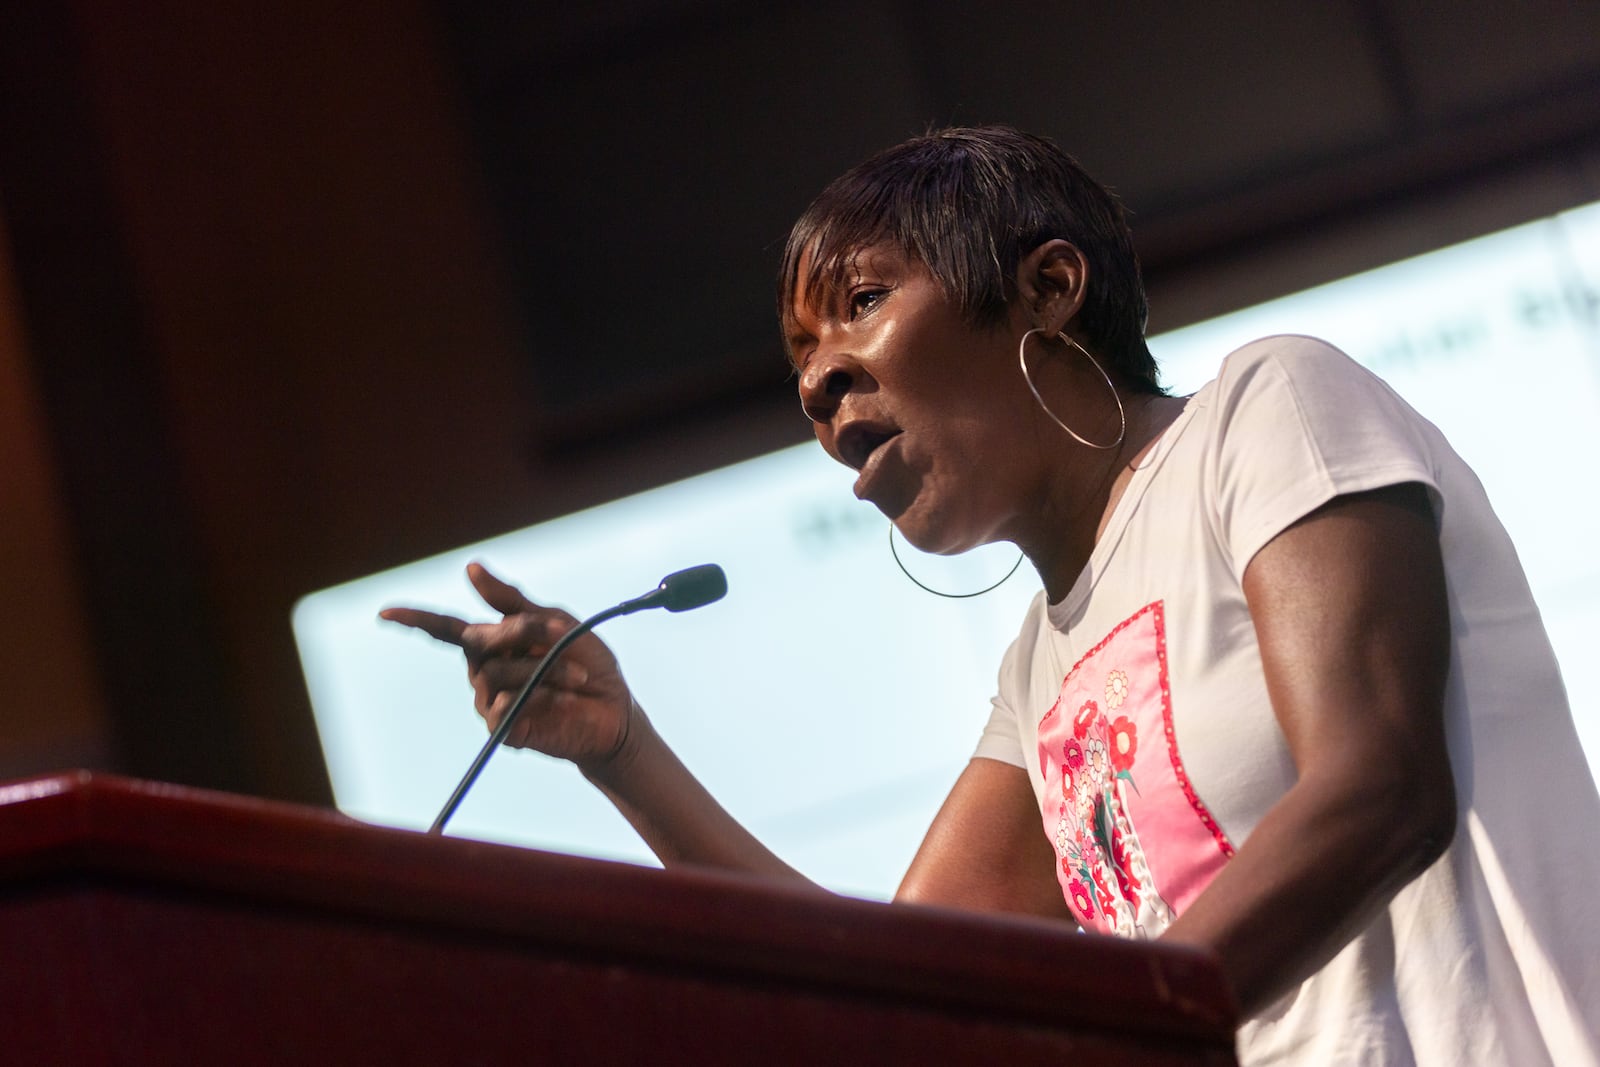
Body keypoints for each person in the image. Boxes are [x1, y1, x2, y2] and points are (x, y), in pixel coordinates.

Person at [382, 126, 1600, 1065]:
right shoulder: (1039, 666)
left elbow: (1381, 787)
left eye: (859, 303)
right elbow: (903, 982)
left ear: (1049, 287)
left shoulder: (1268, 411)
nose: (817, 384)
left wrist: (1098, 1033)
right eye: (799, 357)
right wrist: (624, 751)